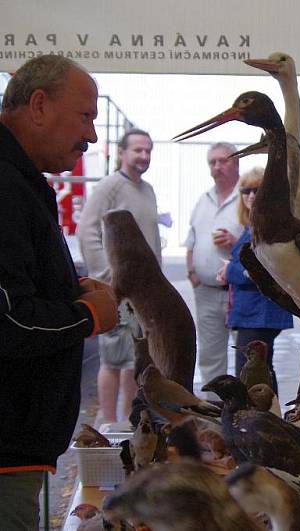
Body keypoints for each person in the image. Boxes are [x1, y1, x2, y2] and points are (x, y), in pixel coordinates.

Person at [0, 55, 118, 529]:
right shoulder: (6, 185)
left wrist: (70, 290)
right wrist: (88, 315)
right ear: (39, 105)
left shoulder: (22, 182)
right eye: (86, 115)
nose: (90, 134)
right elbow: (8, 320)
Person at [76, 127, 158, 423]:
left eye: (148, 150)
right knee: (113, 358)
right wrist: (107, 277)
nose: (144, 155)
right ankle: (109, 425)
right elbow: (87, 230)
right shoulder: (110, 186)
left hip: (143, 294)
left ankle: (126, 424)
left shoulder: (147, 190)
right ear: (122, 153)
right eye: (137, 149)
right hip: (119, 290)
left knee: (133, 360)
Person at [216, 167, 294, 394]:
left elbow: (261, 271)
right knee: (261, 371)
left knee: (252, 374)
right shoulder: (254, 226)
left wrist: (230, 271)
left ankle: (262, 419)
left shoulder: (267, 227)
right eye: (246, 190)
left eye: (257, 190)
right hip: (254, 314)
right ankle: (269, 418)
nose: (250, 196)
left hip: (260, 314)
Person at [185, 142, 243, 389]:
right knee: (210, 358)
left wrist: (235, 242)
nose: (217, 167)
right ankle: (213, 414)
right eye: (212, 162)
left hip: (240, 293)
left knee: (246, 357)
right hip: (207, 291)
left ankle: (247, 418)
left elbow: (264, 242)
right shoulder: (204, 200)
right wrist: (192, 274)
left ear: (237, 162)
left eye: (224, 160)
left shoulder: (250, 195)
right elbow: (192, 240)